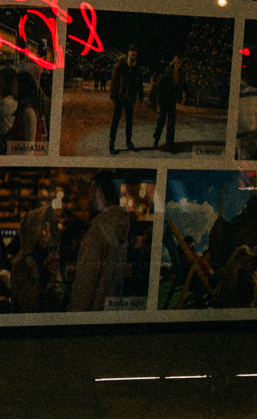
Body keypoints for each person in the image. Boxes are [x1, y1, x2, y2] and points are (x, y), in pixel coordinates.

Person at [67, 172, 139, 311]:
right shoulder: (120, 227)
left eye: (91, 191)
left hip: (92, 314)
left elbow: (85, 284)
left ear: (99, 191)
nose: (89, 197)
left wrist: (74, 316)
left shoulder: (97, 230)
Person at [107, 49, 141, 153]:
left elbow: (139, 82)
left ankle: (128, 142)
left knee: (129, 121)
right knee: (116, 120)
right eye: (131, 55)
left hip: (130, 97)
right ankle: (112, 142)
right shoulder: (121, 63)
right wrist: (113, 95)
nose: (133, 57)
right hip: (120, 96)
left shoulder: (136, 66)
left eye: (134, 55)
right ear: (128, 54)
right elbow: (114, 79)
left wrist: (139, 95)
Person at [151, 54, 184, 151]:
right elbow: (160, 86)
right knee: (161, 120)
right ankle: (156, 139)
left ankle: (170, 144)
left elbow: (181, 86)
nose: (178, 65)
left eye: (180, 63)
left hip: (172, 100)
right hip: (164, 99)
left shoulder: (181, 74)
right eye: (177, 62)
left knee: (171, 122)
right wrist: (158, 101)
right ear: (174, 62)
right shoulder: (168, 71)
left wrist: (180, 97)